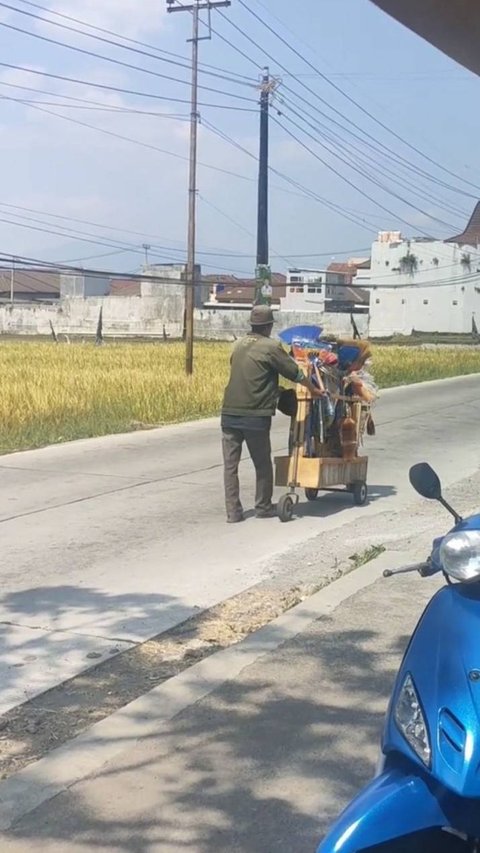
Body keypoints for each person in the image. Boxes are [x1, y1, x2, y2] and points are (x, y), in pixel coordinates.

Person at [221, 304, 323, 523]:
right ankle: (263, 507)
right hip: (255, 414)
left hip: (228, 413)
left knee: (230, 466)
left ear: (252, 324)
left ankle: (233, 513)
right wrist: (314, 389)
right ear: (268, 326)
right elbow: (294, 372)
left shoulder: (238, 345)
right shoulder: (270, 346)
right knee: (262, 464)